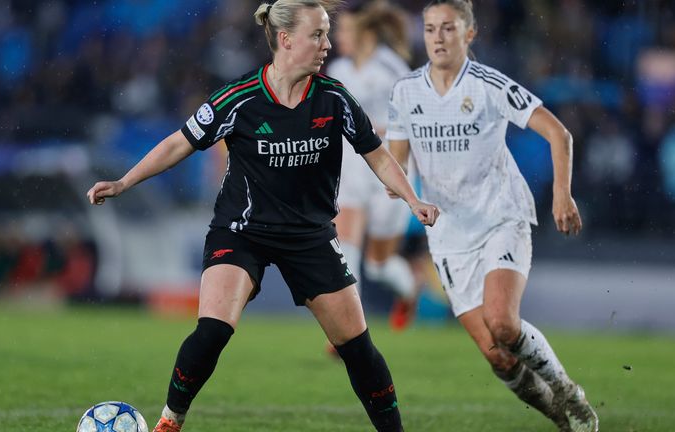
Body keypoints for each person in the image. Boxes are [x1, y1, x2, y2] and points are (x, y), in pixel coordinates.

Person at [86, 1, 439, 431]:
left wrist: (411, 199)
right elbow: (180, 142)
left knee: (358, 348)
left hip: (310, 235)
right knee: (213, 330)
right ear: (286, 40)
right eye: (318, 35)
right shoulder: (240, 99)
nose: (327, 44)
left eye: (328, 34)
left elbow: (378, 155)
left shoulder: (334, 98)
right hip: (242, 231)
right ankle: (169, 421)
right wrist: (124, 182)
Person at [385, 1, 599, 431]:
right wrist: (403, 195)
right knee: (498, 357)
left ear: (469, 34)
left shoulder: (488, 84)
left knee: (503, 323)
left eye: (448, 28)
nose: (438, 38)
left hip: (501, 217)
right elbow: (395, 166)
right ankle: (560, 417)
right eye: (430, 29)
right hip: (448, 236)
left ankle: (568, 392)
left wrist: (562, 195)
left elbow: (559, 133)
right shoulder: (405, 92)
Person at [327, 1, 417, 330]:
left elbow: (412, 120)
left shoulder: (391, 69)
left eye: (345, 30)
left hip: (387, 169)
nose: (338, 37)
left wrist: (374, 130)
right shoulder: (338, 72)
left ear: (365, 32)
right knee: (345, 250)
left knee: (378, 265)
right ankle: (350, 329)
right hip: (351, 170)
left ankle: (409, 290)